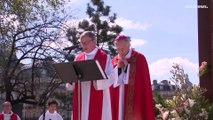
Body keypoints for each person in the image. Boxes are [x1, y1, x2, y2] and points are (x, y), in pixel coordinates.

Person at [70, 31, 116, 120]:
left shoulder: (104, 57)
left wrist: (98, 82)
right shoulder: (78, 58)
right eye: (82, 43)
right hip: (81, 98)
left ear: (94, 41)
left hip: (98, 99)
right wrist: (71, 81)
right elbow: (73, 79)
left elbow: (112, 76)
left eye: (86, 42)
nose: (84, 45)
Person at [112, 35, 155, 120]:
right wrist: (118, 68)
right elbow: (112, 81)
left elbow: (141, 80)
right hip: (118, 97)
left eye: (123, 48)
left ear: (129, 45)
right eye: (118, 49)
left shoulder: (139, 58)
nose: (121, 51)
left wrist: (127, 66)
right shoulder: (114, 60)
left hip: (135, 98)